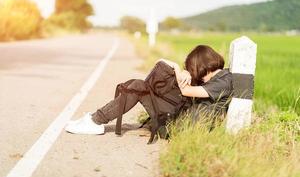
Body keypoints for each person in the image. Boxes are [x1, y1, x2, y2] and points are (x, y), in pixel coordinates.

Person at [65, 45, 233, 135]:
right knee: (140, 85)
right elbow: (162, 62)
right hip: (179, 119)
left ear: (201, 65)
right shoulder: (218, 78)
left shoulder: (223, 82)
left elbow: (187, 92)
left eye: (193, 68)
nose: (197, 75)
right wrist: (184, 72)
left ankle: (95, 121)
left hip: (179, 128)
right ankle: (95, 120)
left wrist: (176, 68)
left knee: (139, 88)